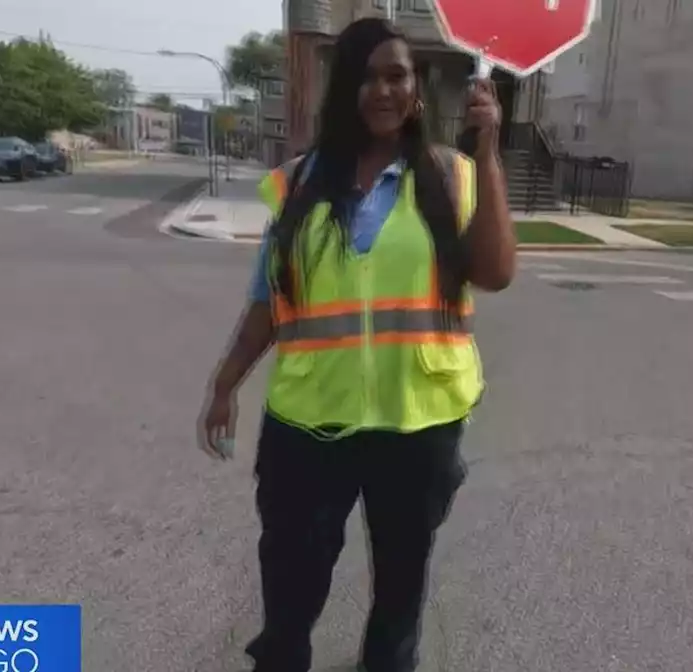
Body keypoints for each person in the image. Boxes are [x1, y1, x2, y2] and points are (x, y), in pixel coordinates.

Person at [200, 17, 515, 672]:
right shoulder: (298, 185)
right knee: (291, 580)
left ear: (417, 89)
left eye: (396, 75)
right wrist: (224, 382)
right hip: (310, 424)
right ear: (343, 90)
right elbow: (269, 299)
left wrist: (487, 155)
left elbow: (495, 273)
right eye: (365, 77)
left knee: (401, 586)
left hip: (417, 421)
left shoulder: (452, 177)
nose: (382, 90)